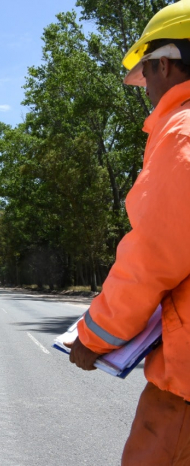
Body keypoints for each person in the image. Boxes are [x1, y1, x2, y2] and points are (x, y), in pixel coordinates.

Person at [66, 2, 190, 464]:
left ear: (164, 63)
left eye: (147, 77)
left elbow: (152, 258)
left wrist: (94, 337)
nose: (148, 92)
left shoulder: (182, 135)